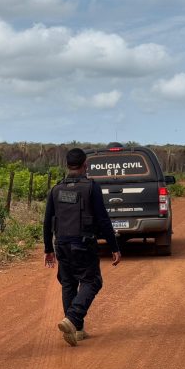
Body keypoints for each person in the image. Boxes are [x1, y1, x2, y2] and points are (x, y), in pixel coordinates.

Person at [44, 148, 122, 346]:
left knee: (68, 282)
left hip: (60, 243)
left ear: (67, 165)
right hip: (83, 243)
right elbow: (103, 219)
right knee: (92, 282)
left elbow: (47, 221)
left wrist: (48, 249)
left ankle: (77, 330)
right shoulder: (91, 187)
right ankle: (72, 319)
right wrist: (114, 246)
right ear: (85, 165)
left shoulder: (56, 188)